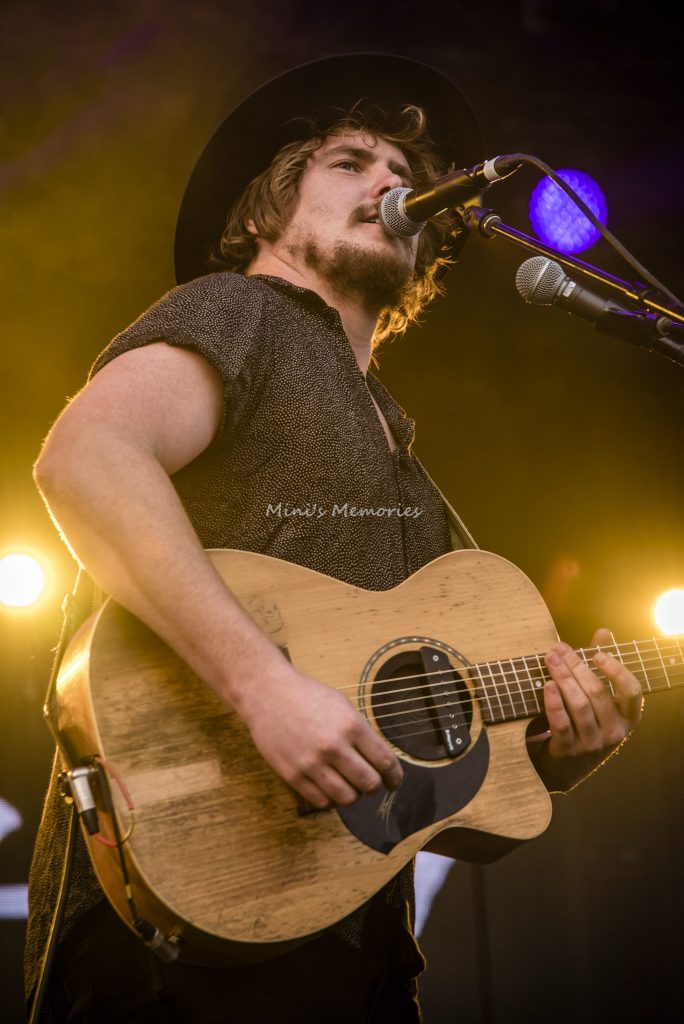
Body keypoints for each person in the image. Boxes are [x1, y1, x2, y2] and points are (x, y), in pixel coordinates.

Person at [25, 54, 643, 1023]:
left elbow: (434, 736)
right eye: (349, 163)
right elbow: (85, 459)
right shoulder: (241, 313)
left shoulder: (402, 454)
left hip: (351, 944)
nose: (391, 181)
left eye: (402, 170)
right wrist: (263, 686)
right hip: (178, 949)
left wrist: (560, 743)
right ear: (262, 213)